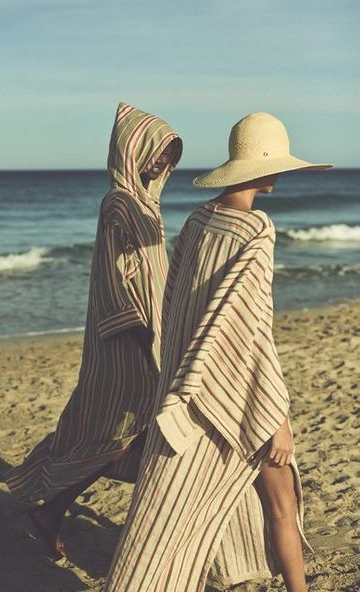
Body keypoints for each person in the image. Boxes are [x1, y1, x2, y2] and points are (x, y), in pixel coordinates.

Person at [103, 112, 332, 592]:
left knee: (185, 507)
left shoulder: (196, 221)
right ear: (267, 169)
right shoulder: (255, 230)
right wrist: (279, 416)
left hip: (194, 384)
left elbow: (178, 305)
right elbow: (253, 330)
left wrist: (176, 380)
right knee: (282, 501)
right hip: (244, 394)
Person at [4, 102, 182, 559]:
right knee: (113, 431)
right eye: (155, 151)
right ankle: (51, 507)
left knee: (136, 431)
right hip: (126, 340)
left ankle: (59, 509)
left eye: (168, 154)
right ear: (131, 150)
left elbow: (154, 271)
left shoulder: (147, 205)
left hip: (155, 333)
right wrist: (137, 330)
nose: (160, 162)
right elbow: (110, 275)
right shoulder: (118, 203)